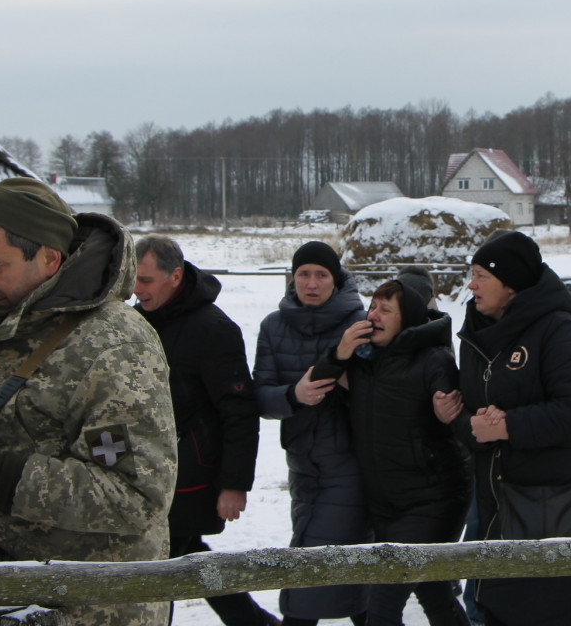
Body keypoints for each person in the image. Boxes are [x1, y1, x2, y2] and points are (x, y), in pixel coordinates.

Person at [0, 177, 177, 626]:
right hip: (2, 592)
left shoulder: (114, 344)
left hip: (90, 608)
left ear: (49, 259)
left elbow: (137, 497)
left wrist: (0, 478)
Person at [439, 230, 571, 626]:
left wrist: (509, 426)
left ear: (510, 283)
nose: (471, 285)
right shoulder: (477, 333)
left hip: (553, 494)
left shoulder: (556, 327)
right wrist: (458, 418)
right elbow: (478, 423)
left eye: (481, 275)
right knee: (495, 599)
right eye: (471, 274)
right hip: (496, 492)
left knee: (547, 603)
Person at [133, 236, 279, 626]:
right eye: (134, 279)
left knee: (158, 573)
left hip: (191, 476)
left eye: (146, 280)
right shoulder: (138, 322)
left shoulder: (214, 330)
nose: (137, 289)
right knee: (187, 562)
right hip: (147, 474)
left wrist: (234, 484)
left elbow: (239, 412)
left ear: (175, 276)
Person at [314, 268, 473, 626]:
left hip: (433, 499)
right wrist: (339, 352)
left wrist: (444, 405)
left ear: (408, 319)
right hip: (386, 504)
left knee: (381, 609)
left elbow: (448, 395)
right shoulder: (363, 359)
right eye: (373, 306)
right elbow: (317, 384)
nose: (374, 315)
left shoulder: (433, 359)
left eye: (386, 309)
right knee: (435, 594)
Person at [253, 241, 370, 626]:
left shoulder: (359, 323)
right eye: (304, 274)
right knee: (344, 571)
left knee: (311, 571)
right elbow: (260, 395)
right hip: (302, 466)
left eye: (321, 275)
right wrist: (294, 394)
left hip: (349, 463)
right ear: (293, 277)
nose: (312, 283)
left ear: (335, 280)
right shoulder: (273, 326)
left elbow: (385, 391)